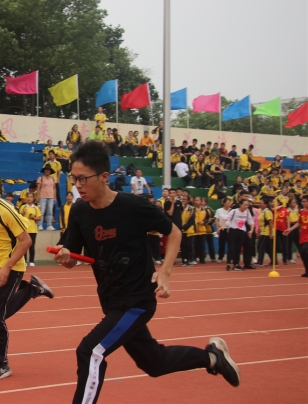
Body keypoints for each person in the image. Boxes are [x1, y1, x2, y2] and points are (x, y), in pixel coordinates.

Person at [53, 141, 239, 403]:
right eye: (74, 179)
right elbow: (71, 255)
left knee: (90, 351)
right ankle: (212, 357)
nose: (78, 185)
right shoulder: (80, 210)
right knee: (154, 362)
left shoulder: (133, 206)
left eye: (83, 178)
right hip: (111, 300)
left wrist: (165, 271)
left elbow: (173, 232)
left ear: (104, 177)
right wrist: (65, 256)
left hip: (136, 301)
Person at [0, 163, 54, 380]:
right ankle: (32, 290)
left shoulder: (5, 210)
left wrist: (7, 267)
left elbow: (25, 242)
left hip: (12, 266)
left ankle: (1, 363)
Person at [224, 198, 253, 271]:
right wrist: (222, 226)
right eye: (245, 205)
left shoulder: (247, 213)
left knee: (238, 248)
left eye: (247, 205)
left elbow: (251, 222)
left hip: (241, 232)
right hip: (233, 231)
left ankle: (236, 264)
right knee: (231, 248)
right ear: (240, 205)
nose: (246, 206)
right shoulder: (234, 211)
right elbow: (225, 218)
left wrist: (251, 230)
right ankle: (228, 264)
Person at [19, 192, 41, 267]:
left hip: (33, 230)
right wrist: (23, 213)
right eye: (28, 197)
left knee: (32, 246)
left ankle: (31, 261)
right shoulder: (23, 207)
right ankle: (24, 261)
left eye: (31, 197)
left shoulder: (36, 208)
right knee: (24, 246)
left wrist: (33, 218)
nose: (29, 199)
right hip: (24, 229)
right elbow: (18, 217)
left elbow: (39, 218)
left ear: (33, 199)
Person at [37, 164, 57, 231]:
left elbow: (54, 188)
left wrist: (54, 197)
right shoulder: (41, 178)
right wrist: (38, 197)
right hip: (43, 196)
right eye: (46, 170)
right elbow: (38, 188)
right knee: (41, 212)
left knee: (50, 212)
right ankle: (40, 225)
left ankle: (49, 225)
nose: (47, 171)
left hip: (51, 197)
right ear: (44, 171)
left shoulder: (53, 179)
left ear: (50, 171)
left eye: (48, 170)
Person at [292, 195, 308, 277]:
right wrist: (290, 229)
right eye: (302, 202)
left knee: (305, 249)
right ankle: (307, 271)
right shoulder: (302, 211)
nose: (303, 203)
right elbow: (299, 222)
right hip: (303, 235)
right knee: (302, 254)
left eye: (305, 201)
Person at [256, 198, 274, 267]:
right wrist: (259, 232)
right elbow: (261, 223)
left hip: (266, 232)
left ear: (266, 204)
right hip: (262, 232)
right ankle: (274, 261)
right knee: (268, 248)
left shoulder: (267, 212)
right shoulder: (262, 211)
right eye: (259, 203)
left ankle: (260, 262)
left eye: (261, 203)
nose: (260, 204)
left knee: (260, 246)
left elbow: (270, 223)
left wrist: (271, 233)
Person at [215, 198, 233, 263]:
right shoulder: (219, 210)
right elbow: (216, 220)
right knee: (221, 244)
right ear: (224, 203)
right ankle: (220, 257)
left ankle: (231, 258)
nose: (229, 204)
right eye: (228, 203)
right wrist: (217, 228)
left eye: (230, 203)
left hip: (230, 229)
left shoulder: (232, 210)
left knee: (231, 244)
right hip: (222, 229)